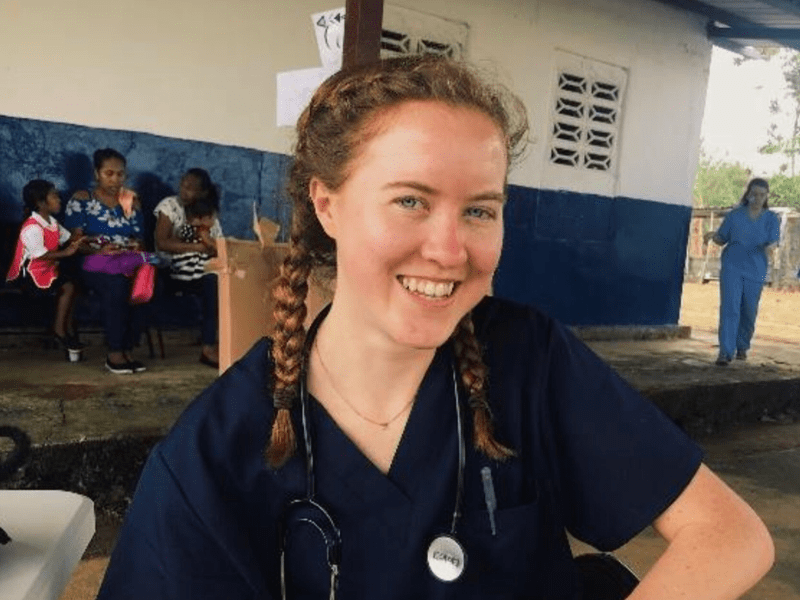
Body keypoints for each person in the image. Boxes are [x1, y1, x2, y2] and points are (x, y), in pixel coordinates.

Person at [97, 56, 773, 600]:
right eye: (411, 200)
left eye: (480, 211)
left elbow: (731, 536)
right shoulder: (215, 454)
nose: (451, 251)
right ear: (327, 205)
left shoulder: (526, 359)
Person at [64, 148, 148, 374]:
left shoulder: (130, 202)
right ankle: (115, 353)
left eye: (120, 174)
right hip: (93, 262)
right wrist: (99, 250)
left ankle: (128, 348)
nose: (115, 179)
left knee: (149, 286)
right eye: (109, 173)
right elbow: (76, 242)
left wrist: (130, 248)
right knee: (116, 285)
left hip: (125, 261)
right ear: (97, 173)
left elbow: (139, 240)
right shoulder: (82, 200)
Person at [704, 178, 780, 366]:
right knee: (730, 308)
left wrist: (772, 248)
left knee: (749, 310)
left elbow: (773, 242)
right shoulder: (734, 216)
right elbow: (722, 239)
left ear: (766, 196)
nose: (757, 198)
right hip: (732, 267)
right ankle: (725, 352)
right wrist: (713, 236)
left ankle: (742, 346)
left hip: (756, 270)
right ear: (747, 194)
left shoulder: (771, 219)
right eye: (754, 194)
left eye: (762, 195)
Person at [153, 168, 221, 368]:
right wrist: (198, 246)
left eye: (191, 188)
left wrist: (208, 247)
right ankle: (209, 346)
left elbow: (217, 246)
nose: (184, 190)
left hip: (201, 269)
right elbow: (163, 243)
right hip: (171, 271)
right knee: (212, 282)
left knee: (217, 281)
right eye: (183, 184)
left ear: (202, 193)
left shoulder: (208, 211)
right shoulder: (170, 206)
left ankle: (214, 344)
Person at [6, 179, 85, 353]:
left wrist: (89, 240)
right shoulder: (31, 227)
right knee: (68, 287)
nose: (59, 199)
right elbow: (39, 255)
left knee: (74, 286)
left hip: (47, 273)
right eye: (54, 196)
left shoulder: (52, 222)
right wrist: (66, 253)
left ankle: (67, 329)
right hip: (30, 277)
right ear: (41, 203)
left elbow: (69, 238)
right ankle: (59, 330)